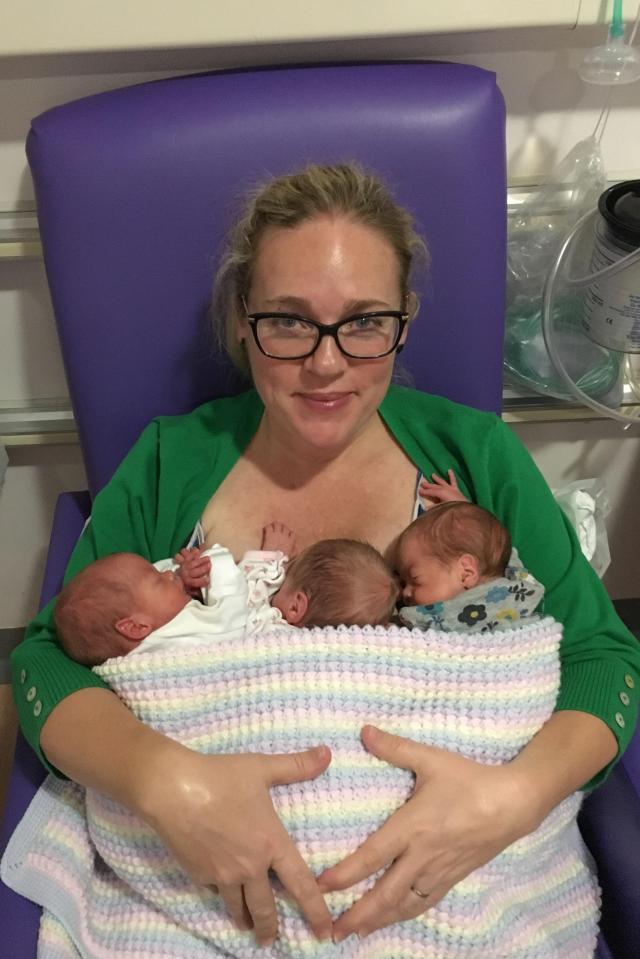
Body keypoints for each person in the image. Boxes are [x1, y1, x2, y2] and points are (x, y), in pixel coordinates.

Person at [11, 162, 640, 950]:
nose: (327, 363)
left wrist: (509, 797)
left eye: (365, 321)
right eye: (289, 321)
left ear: (404, 320)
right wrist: (167, 782)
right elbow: (44, 662)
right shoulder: (175, 460)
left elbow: (600, 655)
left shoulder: (472, 455)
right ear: (243, 319)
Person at [54, 531, 398, 667]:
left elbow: (242, 597)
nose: (169, 571)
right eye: (160, 580)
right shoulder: (189, 630)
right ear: (134, 626)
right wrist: (212, 563)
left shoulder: (151, 632)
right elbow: (233, 605)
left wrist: (181, 581)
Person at [395, 478, 544, 632]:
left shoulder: (432, 617)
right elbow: (502, 553)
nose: (405, 592)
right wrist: (463, 506)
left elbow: (498, 550)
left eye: (415, 579)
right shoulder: (520, 587)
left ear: (466, 572)